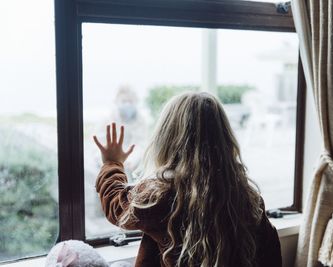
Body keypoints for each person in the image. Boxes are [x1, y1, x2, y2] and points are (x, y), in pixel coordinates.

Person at [93, 92, 282, 267]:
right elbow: (270, 253)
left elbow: (116, 206)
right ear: (225, 140)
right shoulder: (247, 197)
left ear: (166, 141)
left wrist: (112, 162)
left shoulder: (161, 196)